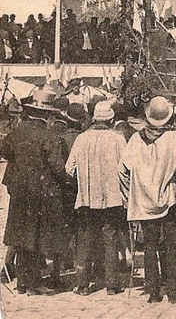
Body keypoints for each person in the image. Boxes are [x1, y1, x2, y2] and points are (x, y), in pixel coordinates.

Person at [118, 96, 176, 303]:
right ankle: (174, 292)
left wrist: (129, 194)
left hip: (143, 201)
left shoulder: (135, 139)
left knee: (149, 245)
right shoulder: (175, 137)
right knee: (173, 246)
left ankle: (153, 293)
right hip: (169, 198)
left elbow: (122, 170)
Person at [1, 87, 71, 295]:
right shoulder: (48, 135)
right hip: (41, 190)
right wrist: (68, 183)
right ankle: (33, 283)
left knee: (22, 235)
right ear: (47, 114)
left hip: (18, 189)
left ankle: (22, 283)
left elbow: (4, 151)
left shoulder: (17, 131)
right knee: (37, 236)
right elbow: (57, 166)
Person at [65, 101, 127, 295]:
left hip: (86, 198)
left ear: (93, 118)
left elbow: (69, 168)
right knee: (110, 238)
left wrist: (83, 181)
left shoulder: (81, 139)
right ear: (111, 119)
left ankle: (82, 285)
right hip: (112, 199)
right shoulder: (118, 139)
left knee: (85, 238)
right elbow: (126, 168)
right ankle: (111, 284)